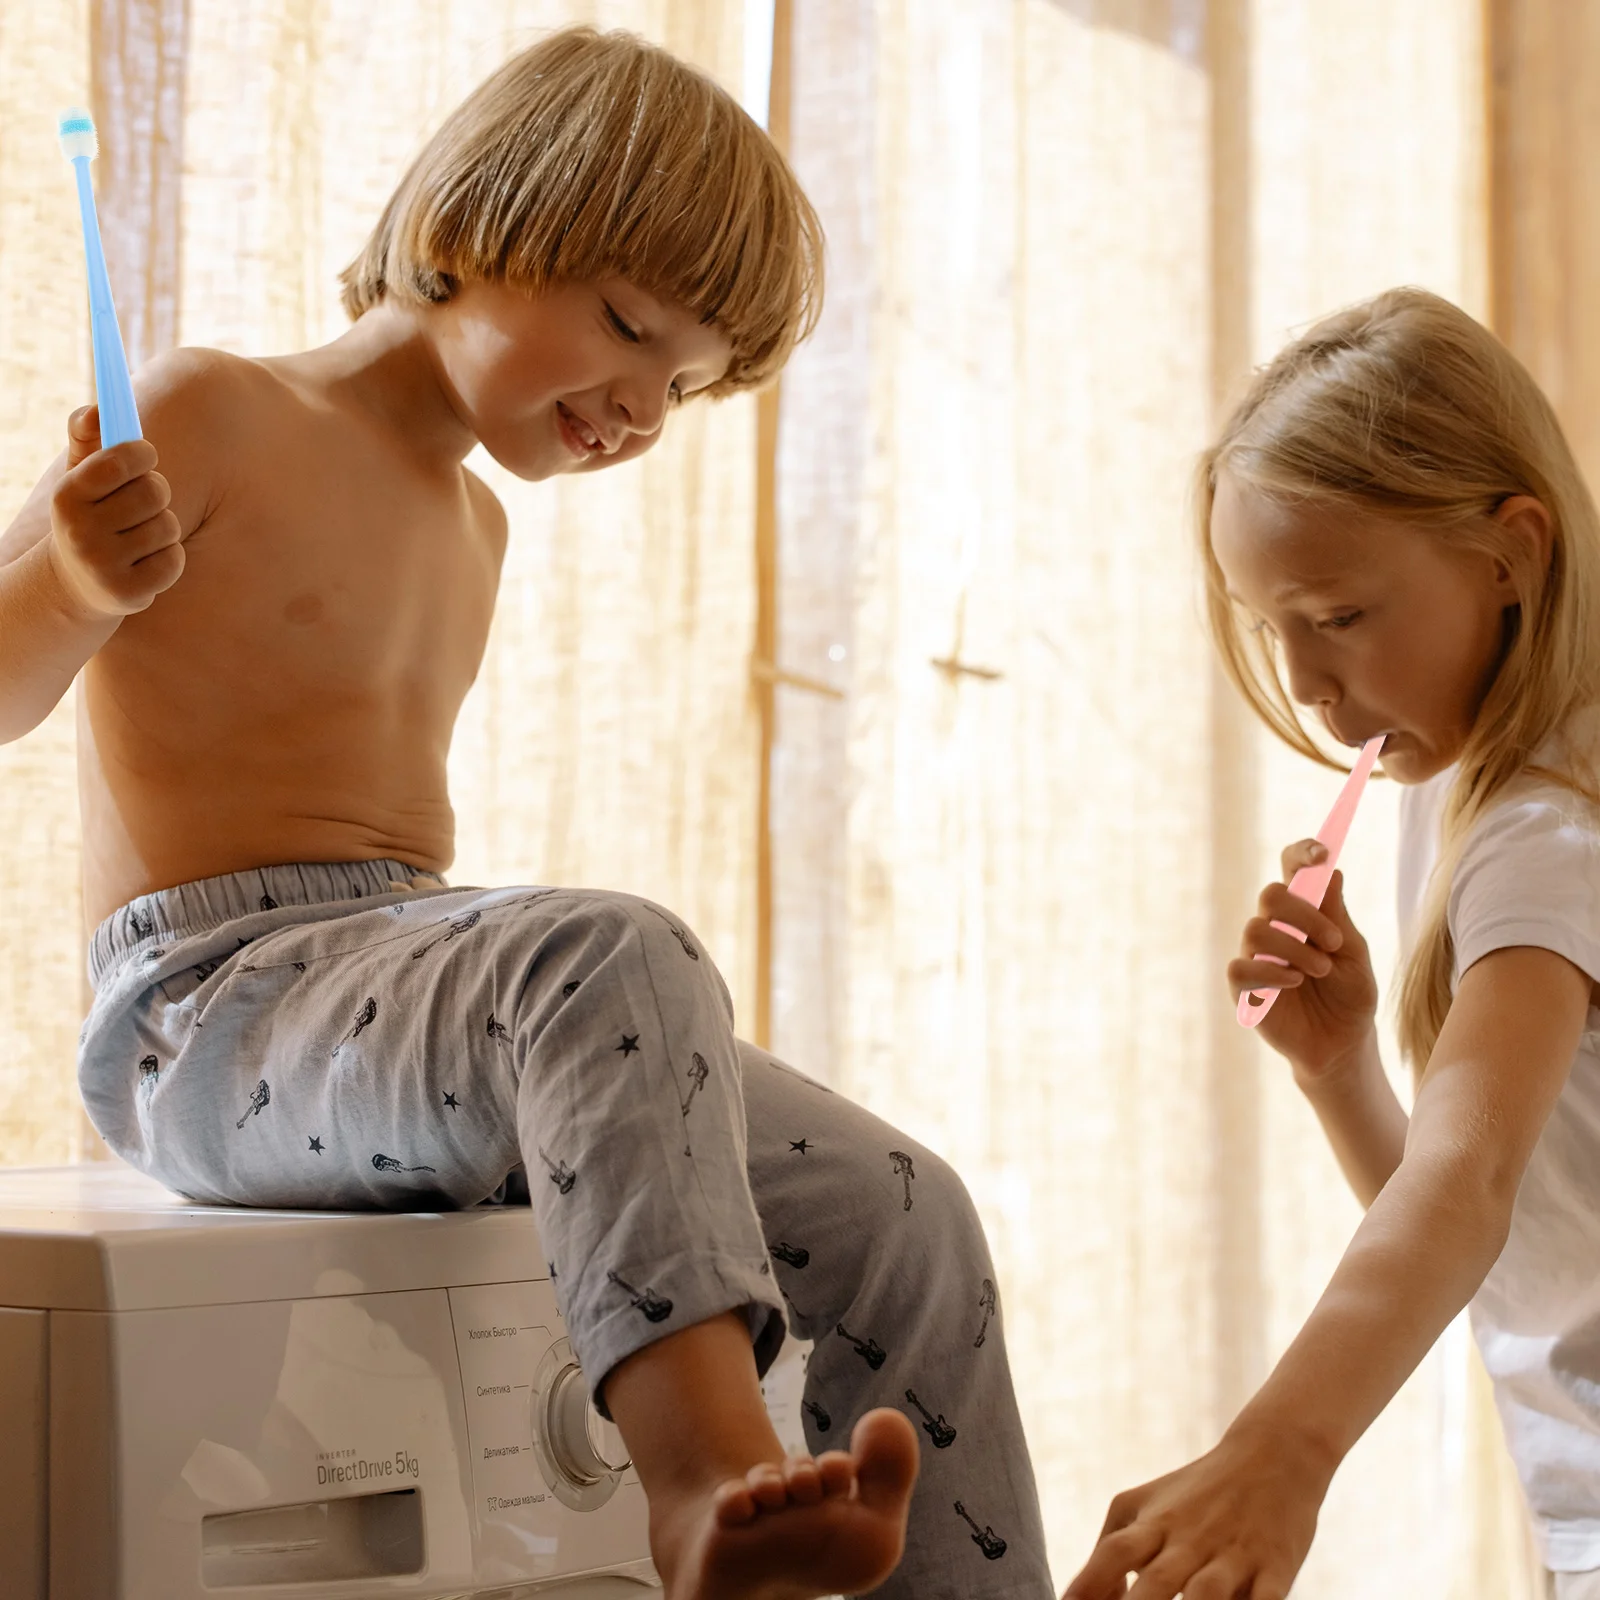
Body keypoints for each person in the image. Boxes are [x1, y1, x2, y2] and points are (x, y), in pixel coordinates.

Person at [0, 27, 1051, 1600]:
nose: (640, 404)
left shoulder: (477, 526)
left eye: (682, 384)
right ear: (463, 229)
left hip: (408, 993)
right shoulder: (210, 407)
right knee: (607, 952)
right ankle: (703, 1483)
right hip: (205, 1013)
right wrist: (74, 579)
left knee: (905, 1209)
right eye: (627, 328)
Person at [1066, 285, 1600, 1600]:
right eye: (1271, 629)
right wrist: (1340, 1067)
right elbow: (1492, 1228)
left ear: (1511, 553)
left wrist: (1282, 1450)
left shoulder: (1546, 830)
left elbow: (1463, 1195)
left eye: (1340, 616)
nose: (1306, 684)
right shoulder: (1460, 783)